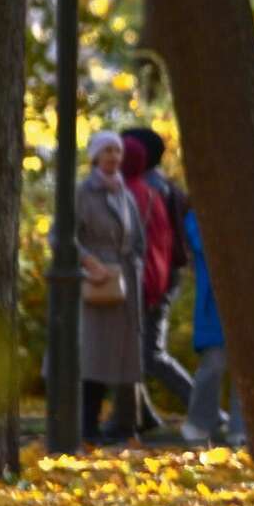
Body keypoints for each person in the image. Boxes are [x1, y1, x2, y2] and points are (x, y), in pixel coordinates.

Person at [74, 132, 145, 445]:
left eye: (117, 150)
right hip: (97, 285)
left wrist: (137, 270)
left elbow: (137, 239)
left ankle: (123, 425)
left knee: (122, 358)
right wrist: (90, 263)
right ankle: (87, 426)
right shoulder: (82, 192)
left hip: (124, 283)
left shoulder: (125, 192)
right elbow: (62, 236)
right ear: (95, 156)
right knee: (94, 357)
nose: (114, 157)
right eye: (107, 151)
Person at [122, 126, 196, 416]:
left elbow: (156, 243)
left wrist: (151, 283)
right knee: (133, 352)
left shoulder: (150, 189)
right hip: (161, 275)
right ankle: (140, 416)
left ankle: (206, 412)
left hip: (156, 277)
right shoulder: (162, 185)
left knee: (149, 354)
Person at [120, 139, 175, 429]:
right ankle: (139, 415)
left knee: (138, 352)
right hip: (153, 277)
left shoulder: (136, 192)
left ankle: (129, 418)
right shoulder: (155, 189)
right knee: (137, 352)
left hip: (136, 280)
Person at [179, 208, 244, 446]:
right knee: (214, 362)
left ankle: (241, 427)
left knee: (244, 362)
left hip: (245, 298)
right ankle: (199, 422)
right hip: (213, 302)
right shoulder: (200, 215)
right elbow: (205, 244)